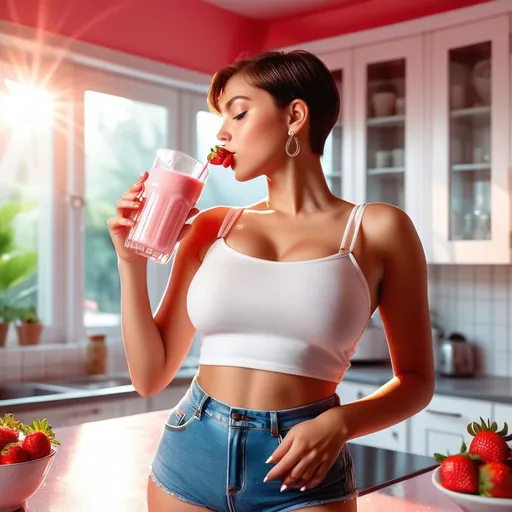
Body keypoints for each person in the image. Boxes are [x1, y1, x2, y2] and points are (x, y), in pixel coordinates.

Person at [107, 50, 435, 512]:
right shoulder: (211, 226)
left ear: (295, 116)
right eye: (221, 118)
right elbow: (149, 375)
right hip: (189, 452)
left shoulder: (378, 230)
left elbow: (416, 381)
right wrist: (130, 260)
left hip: (300, 467)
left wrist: (339, 423)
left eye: (238, 112)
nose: (222, 133)